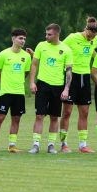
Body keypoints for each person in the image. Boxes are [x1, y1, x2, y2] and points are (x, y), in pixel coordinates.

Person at [28, 23, 73, 154]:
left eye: (49, 34)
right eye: (46, 34)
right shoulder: (41, 46)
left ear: (57, 34)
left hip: (58, 87)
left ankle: (51, 145)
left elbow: (69, 72)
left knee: (54, 117)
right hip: (42, 85)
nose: (46, 36)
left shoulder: (66, 50)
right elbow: (34, 64)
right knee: (39, 115)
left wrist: (66, 89)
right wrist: (32, 82)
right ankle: (36, 144)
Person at [0, 28, 32, 153]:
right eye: (20, 38)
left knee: (16, 118)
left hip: (19, 93)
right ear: (13, 39)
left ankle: (12, 145)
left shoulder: (26, 56)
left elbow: (26, 72)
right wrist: (5, 83)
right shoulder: (3, 54)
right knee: (0, 118)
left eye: (24, 38)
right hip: (6, 92)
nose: (22, 41)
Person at [60, 17, 97, 153]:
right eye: (89, 35)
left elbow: (93, 52)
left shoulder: (95, 39)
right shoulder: (72, 37)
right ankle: (63, 143)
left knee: (84, 112)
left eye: (93, 36)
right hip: (72, 77)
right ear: (86, 29)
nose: (91, 38)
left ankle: (83, 145)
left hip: (85, 77)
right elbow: (60, 48)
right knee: (67, 112)